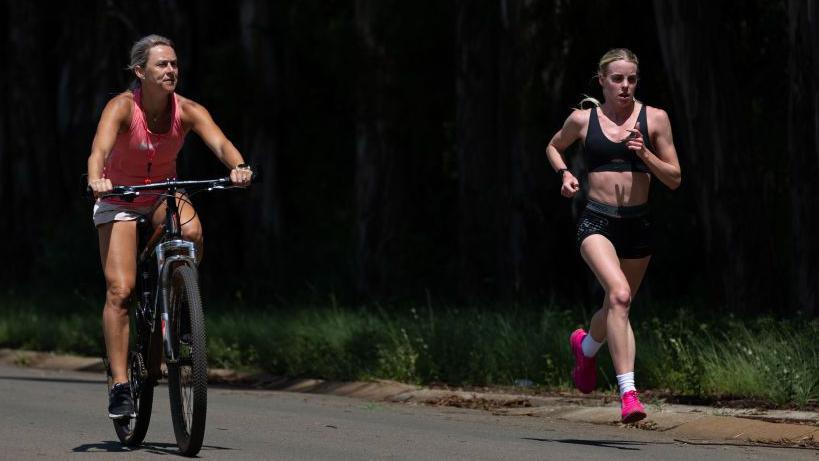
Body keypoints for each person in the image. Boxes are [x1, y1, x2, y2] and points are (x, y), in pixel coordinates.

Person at [86, 34, 253, 419]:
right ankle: (119, 383)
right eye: (162, 64)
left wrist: (238, 167)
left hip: (163, 193)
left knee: (191, 232)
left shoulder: (188, 110)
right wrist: (97, 179)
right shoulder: (122, 107)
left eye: (174, 64)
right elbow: (99, 150)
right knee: (121, 290)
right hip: (120, 199)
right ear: (140, 71)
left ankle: (178, 307)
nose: (171, 70)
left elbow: (222, 143)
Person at [545, 48, 681, 423]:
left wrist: (646, 155)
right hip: (597, 222)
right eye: (617, 79)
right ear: (602, 80)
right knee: (619, 296)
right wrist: (565, 175)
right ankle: (629, 395)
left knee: (615, 306)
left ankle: (586, 348)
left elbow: (674, 178)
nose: (625, 86)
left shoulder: (654, 119)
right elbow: (553, 146)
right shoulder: (582, 119)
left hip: (638, 226)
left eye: (631, 79)